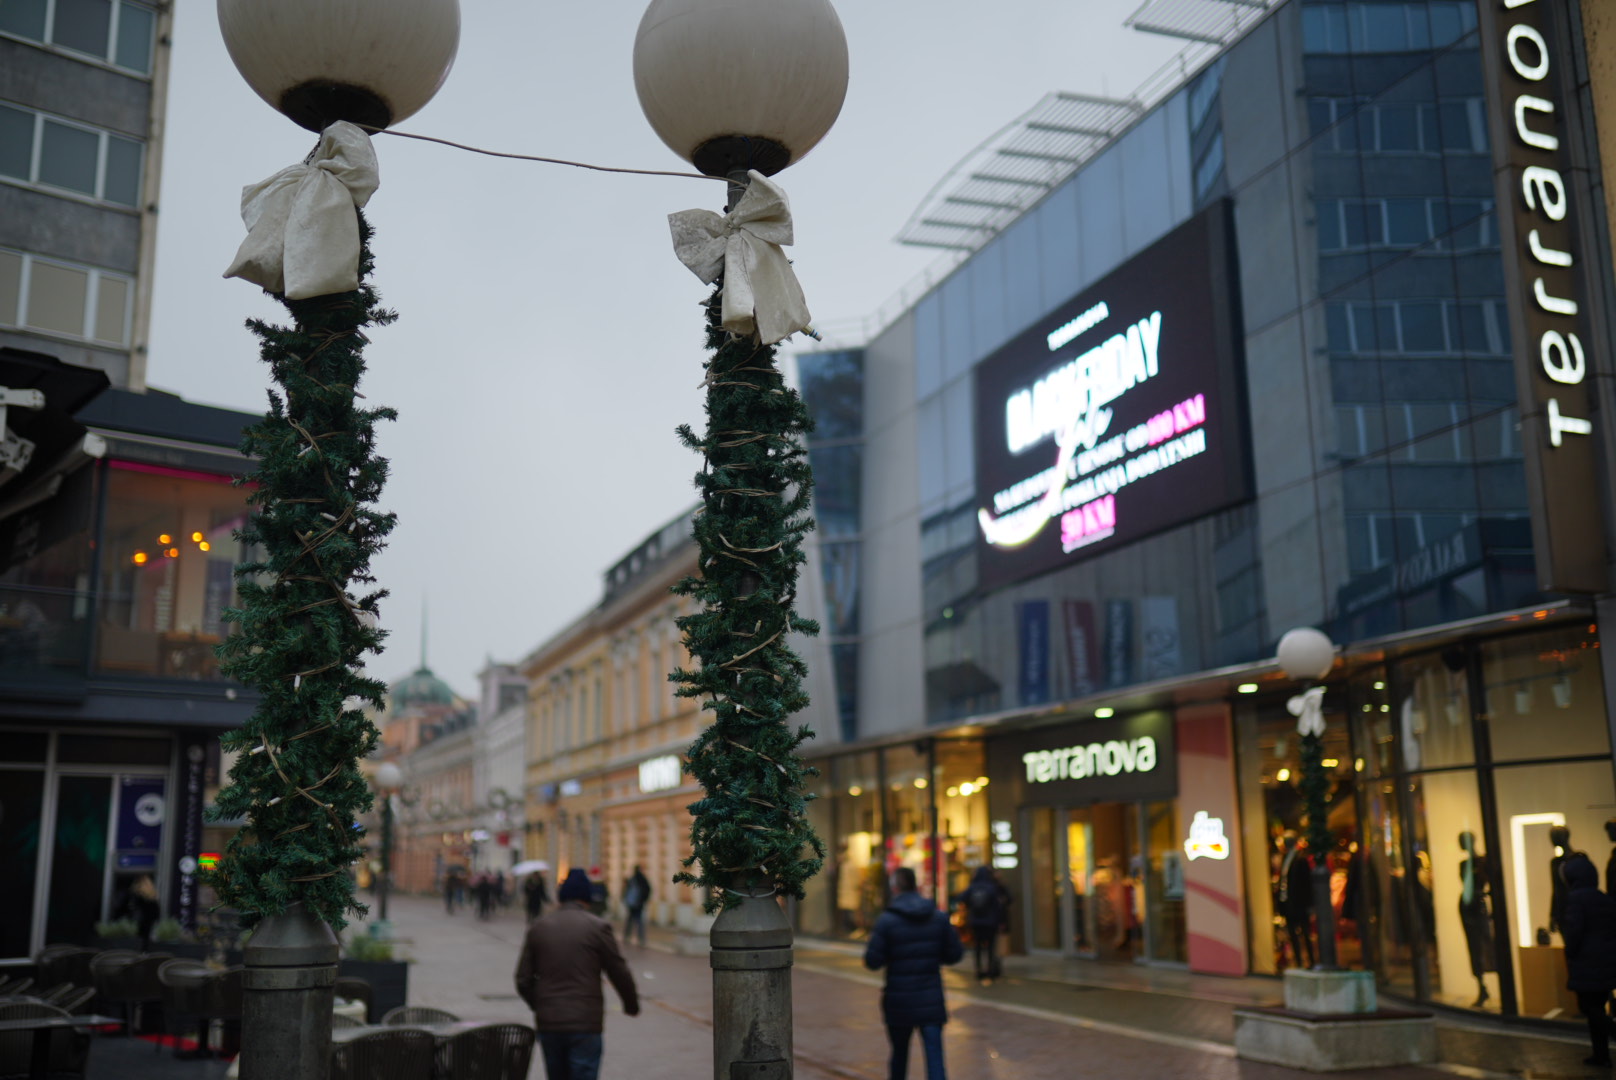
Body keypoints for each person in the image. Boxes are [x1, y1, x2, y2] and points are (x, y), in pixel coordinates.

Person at [516, 868, 639, 1080]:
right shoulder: (598, 927)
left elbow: (523, 979)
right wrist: (631, 1004)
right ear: (587, 898)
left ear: (561, 898)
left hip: (550, 1020)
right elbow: (618, 970)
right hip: (585, 1020)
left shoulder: (539, 927)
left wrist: (541, 1003)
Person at [863, 866, 963, 1080]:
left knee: (899, 1057)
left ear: (895, 888)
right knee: (935, 1060)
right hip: (931, 999)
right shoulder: (937, 917)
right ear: (915, 886)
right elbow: (954, 954)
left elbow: (872, 961)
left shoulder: (887, 921)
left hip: (899, 1001)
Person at [1559, 853, 1616, 1067]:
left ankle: (1603, 1050)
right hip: (1604, 960)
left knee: (1590, 1008)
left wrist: (1571, 952)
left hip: (1586, 960)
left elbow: (1574, 932)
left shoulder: (1576, 899)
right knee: (1597, 1007)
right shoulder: (1602, 897)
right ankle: (1601, 1055)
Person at [954, 866, 1010, 983]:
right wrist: (1001, 921)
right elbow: (999, 905)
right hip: (991, 922)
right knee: (990, 947)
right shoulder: (992, 887)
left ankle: (979, 970)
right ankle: (989, 970)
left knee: (978, 947)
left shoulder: (973, 887)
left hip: (976, 922)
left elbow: (961, 898)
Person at [622, 865, 651, 947]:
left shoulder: (632, 879)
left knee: (630, 921)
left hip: (632, 904)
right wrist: (643, 900)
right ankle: (641, 939)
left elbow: (626, 891)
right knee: (639, 921)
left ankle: (627, 936)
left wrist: (626, 900)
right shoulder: (642, 880)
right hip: (639, 904)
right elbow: (648, 890)